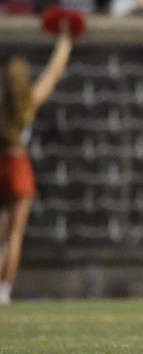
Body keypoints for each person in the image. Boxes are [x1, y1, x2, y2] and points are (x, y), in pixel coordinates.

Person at [0, 23, 75, 304]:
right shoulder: (28, 102)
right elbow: (53, 73)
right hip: (18, 165)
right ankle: (4, 290)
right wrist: (65, 40)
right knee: (14, 235)